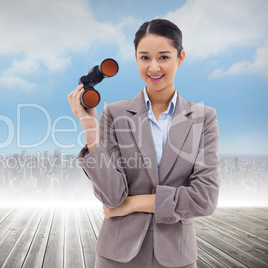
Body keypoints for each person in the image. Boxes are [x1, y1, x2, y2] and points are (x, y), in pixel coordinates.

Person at [67, 19, 220, 268]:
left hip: (176, 257)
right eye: (145, 58)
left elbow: (204, 199)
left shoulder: (203, 118)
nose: (154, 67)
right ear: (136, 58)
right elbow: (114, 197)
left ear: (180, 58)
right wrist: (91, 134)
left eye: (164, 57)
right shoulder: (115, 115)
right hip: (117, 255)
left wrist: (134, 203)